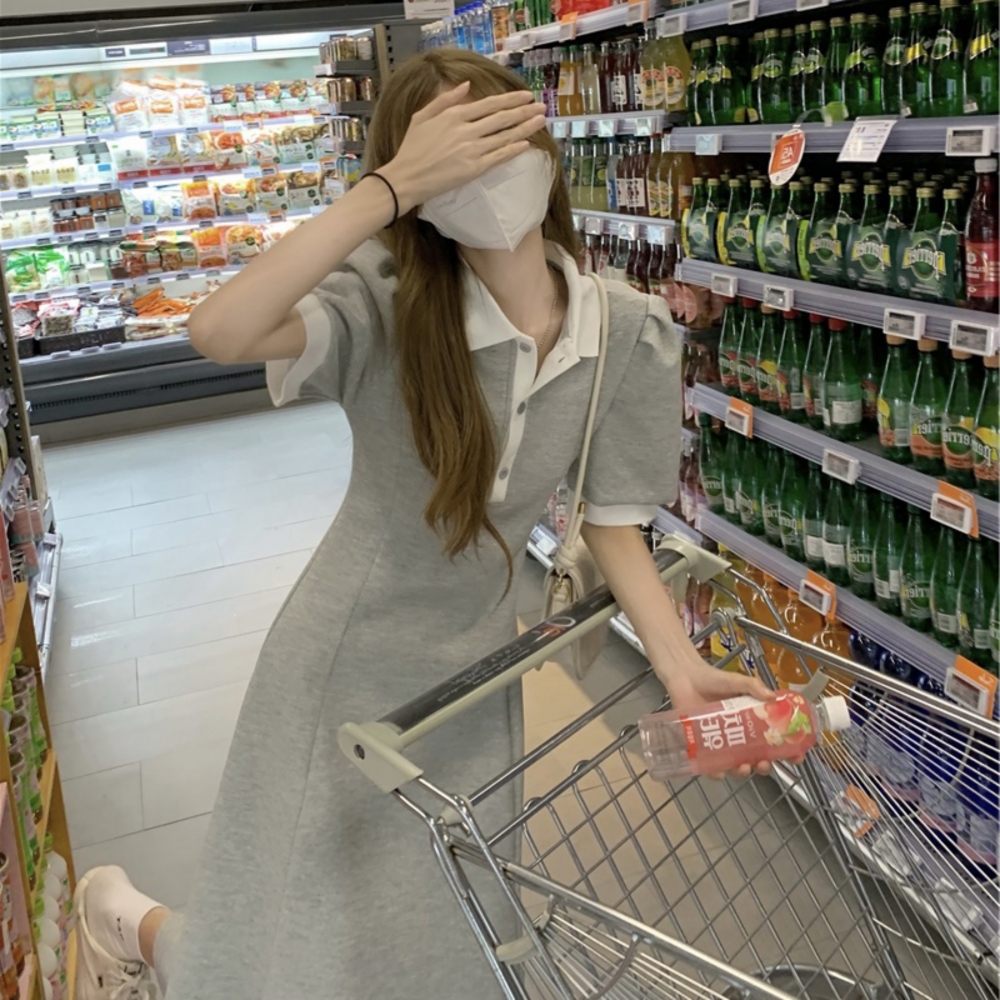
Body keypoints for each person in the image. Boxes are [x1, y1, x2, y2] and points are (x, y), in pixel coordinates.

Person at [72, 49, 775, 1000]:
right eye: (448, 153)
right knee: (301, 922)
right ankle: (128, 922)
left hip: (474, 673)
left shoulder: (625, 329)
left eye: (494, 136)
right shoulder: (383, 307)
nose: (479, 169)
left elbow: (613, 526)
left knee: (447, 926)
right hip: (340, 663)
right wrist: (388, 191)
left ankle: (131, 919)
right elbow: (220, 330)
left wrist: (679, 667)